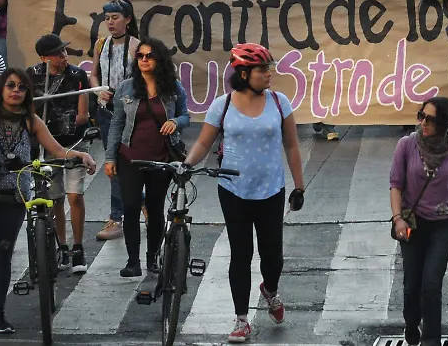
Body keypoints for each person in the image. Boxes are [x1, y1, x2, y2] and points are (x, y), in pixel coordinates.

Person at [182, 44, 307, 343]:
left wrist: (300, 186)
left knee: (272, 256)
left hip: (271, 190)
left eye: (269, 68)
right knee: (241, 254)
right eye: (262, 70)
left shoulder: (279, 102)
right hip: (233, 190)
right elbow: (202, 144)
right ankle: (241, 319)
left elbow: (291, 145)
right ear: (243, 73)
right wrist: (185, 165)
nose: (269, 74)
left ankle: (270, 291)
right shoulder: (221, 106)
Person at [0, 68, 98, 335]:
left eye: (22, 87)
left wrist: (81, 155)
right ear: (0, 89)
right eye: (10, 85)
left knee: (3, 255)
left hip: (14, 195)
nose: (16, 91)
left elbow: (58, 150)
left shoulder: (32, 121)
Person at [104, 37, 191, 277]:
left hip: (161, 157)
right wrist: (110, 158)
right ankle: (133, 261)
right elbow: (116, 124)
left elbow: (186, 116)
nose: (144, 60)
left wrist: (175, 121)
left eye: (149, 56)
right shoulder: (127, 88)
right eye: (140, 56)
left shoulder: (173, 88)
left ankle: (152, 257)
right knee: (130, 206)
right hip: (129, 156)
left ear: (159, 59)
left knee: (155, 208)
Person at [389, 97, 448, 346]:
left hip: (443, 225)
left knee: (432, 284)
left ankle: (432, 339)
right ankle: (411, 323)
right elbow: (395, 185)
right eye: (421, 116)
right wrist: (398, 218)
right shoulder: (406, 145)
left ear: (443, 122)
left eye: (430, 119)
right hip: (412, 225)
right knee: (412, 285)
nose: (423, 122)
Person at [28, 34, 91, 274]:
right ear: (44, 58)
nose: (64, 56)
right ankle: (61, 246)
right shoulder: (30, 75)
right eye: (58, 53)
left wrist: (59, 123)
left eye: (64, 51)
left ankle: (78, 247)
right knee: (55, 197)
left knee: (75, 195)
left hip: (75, 141)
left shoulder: (78, 75)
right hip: (46, 146)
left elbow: (83, 115)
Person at [89, 0, 141, 242]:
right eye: (107, 17)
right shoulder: (101, 44)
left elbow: (144, 78)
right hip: (106, 110)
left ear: (127, 19)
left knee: (128, 162)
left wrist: (126, 93)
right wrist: (98, 90)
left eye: (115, 17)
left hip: (130, 112)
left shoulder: (136, 46)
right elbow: (93, 75)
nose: (110, 22)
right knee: (114, 163)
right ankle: (119, 215)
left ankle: (122, 212)